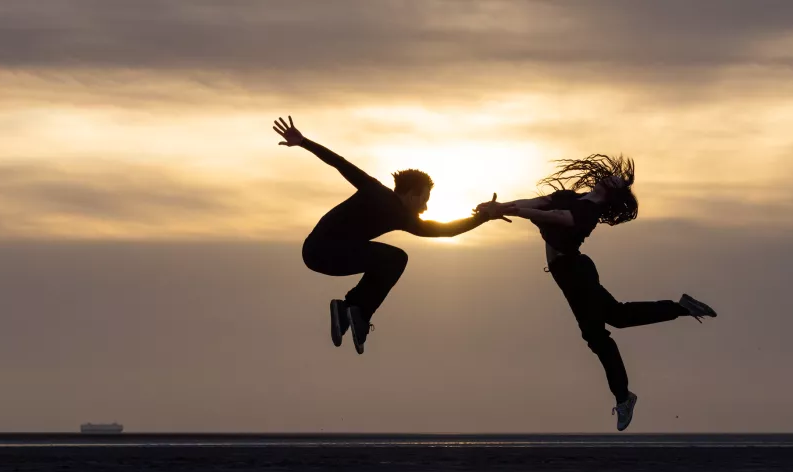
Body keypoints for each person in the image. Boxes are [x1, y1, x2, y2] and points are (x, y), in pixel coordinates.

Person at [478, 156, 716, 430]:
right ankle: (680, 311)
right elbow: (538, 203)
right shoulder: (571, 197)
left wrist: (515, 212)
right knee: (611, 322)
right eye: (617, 177)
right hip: (569, 273)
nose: (615, 177)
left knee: (604, 330)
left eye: (620, 183)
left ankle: (626, 395)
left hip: (574, 272)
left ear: (614, 194)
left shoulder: (589, 212)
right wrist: (501, 207)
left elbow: (556, 217)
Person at [273, 115, 505, 354]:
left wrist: (303, 142)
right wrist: (484, 217)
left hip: (313, 252)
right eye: (424, 200)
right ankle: (356, 311)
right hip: (324, 250)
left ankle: (348, 310)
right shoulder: (393, 207)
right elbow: (340, 163)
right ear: (412, 195)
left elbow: (339, 162)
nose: (425, 207)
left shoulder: (378, 192)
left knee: (390, 259)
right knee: (395, 259)